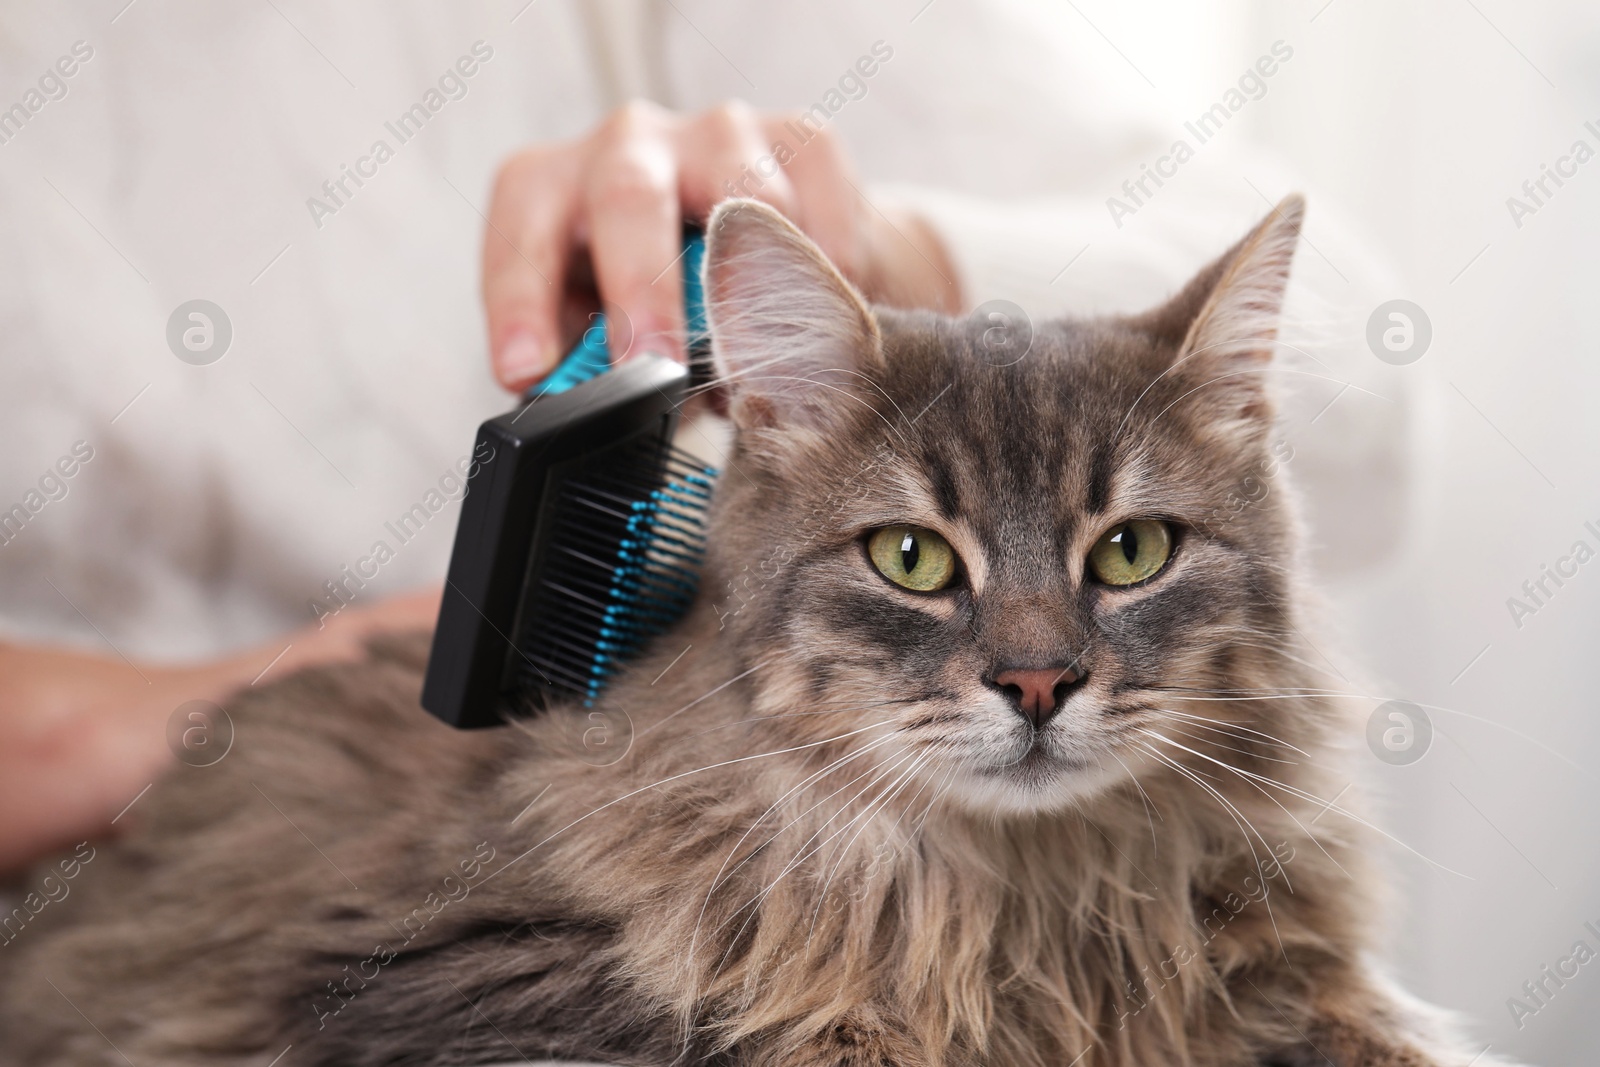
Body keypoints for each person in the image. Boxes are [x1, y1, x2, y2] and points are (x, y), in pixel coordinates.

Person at [0, 0, 1399, 873]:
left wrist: (901, 269)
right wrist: (126, 733)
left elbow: (1380, 407)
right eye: (917, 554)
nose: (1033, 670)